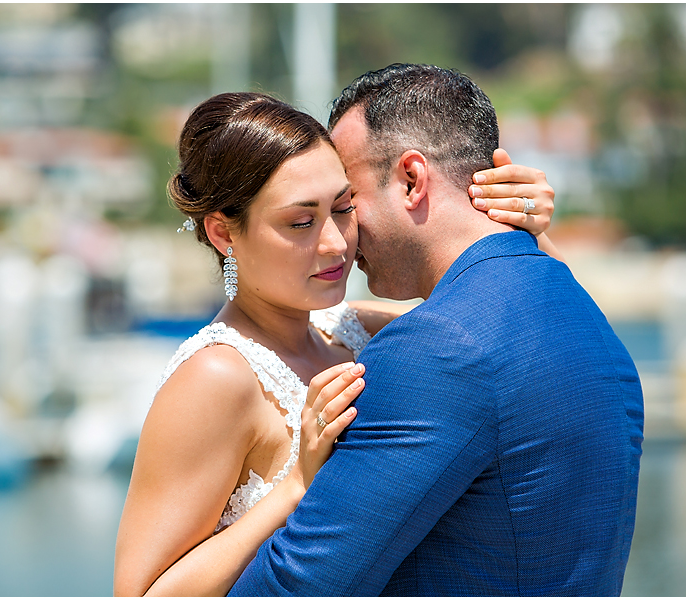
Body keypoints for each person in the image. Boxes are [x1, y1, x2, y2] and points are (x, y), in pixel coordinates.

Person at [114, 90, 559, 597]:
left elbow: (523, 333)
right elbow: (141, 593)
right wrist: (295, 489)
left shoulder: (358, 330)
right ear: (223, 233)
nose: (335, 242)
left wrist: (526, 226)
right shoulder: (218, 377)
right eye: (301, 222)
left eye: (344, 208)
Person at [228, 64, 644, 596]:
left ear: (411, 179)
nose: (343, 237)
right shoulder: (584, 317)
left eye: (349, 202)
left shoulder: (434, 351)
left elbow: (298, 588)